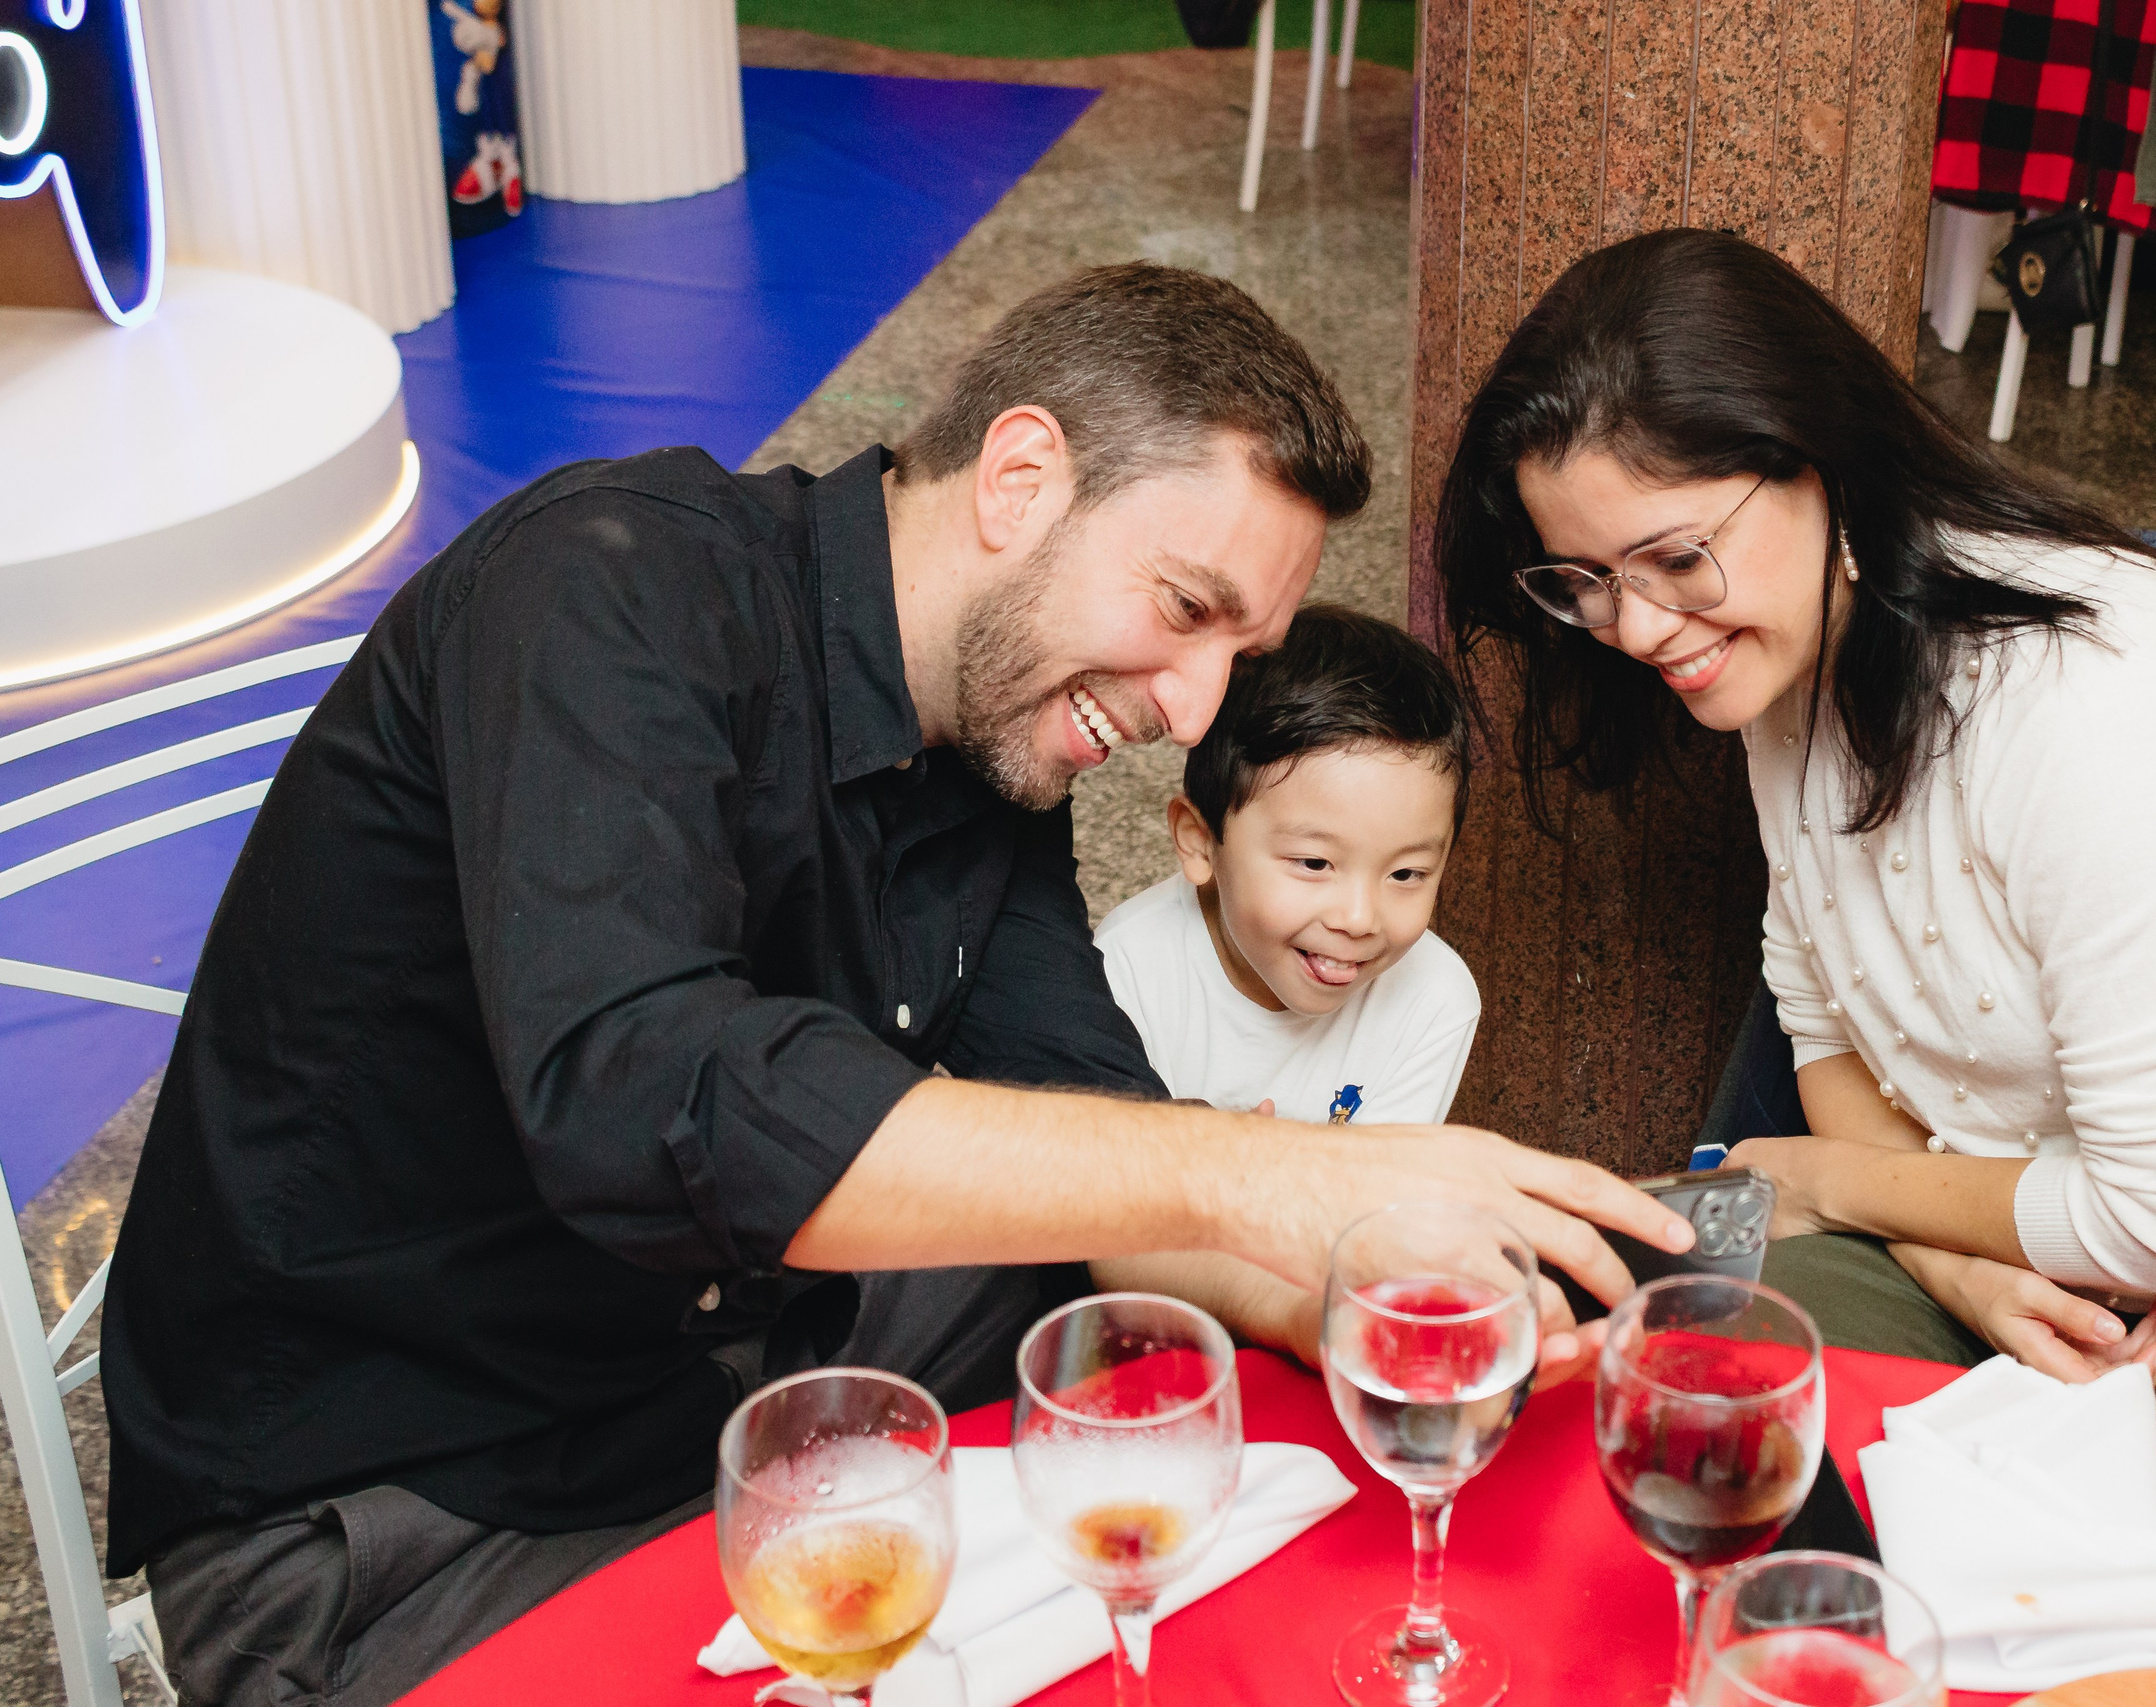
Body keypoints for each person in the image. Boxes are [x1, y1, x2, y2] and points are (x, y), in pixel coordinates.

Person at [102, 262, 1692, 1707]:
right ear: (1019, 477)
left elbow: (1093, 1131)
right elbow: (654, 1094)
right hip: (398, 1499)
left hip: (711, 1381)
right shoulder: (609, 585)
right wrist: (1282, 1167)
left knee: (1173, 1390)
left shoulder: (989, 745)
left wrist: (1328, 1300)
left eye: (1240, 652)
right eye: (1187, 610)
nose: (1196, 702)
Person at [1430, 227, 2156, 1519]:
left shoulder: (2085, 715)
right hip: (2039, 1262)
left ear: (1817, 462)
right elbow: (1825, 1017)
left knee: (1875, 1517)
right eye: (1589, 582)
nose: (1642, 628)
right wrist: (1953, 1267)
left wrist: (1821, 1183)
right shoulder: (1790, 649)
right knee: (1639, 1373)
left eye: (1675, 558)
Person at [1094, 605, 1483, 1358]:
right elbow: (1110, 1231)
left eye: (1408, 872)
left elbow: (1372, 1226)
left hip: (1323, 1328)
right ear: (1199, 841)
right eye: (1314, 863)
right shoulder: (1128, 969)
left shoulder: (1435, 997)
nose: (1361, 916)